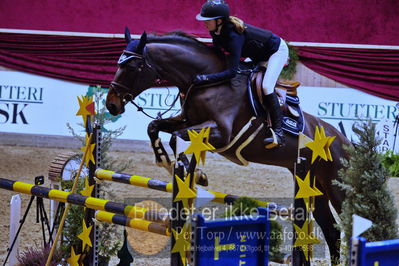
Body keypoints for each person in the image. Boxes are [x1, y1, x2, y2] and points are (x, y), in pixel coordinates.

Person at [194, 0, 289, 148]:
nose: (204, 23)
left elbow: (231, 73)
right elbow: (219, 55)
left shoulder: (233, 36)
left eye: (207, 20)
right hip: (257, 53)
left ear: (219, 20)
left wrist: (205, 78)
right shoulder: (216, 31)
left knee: (266, 87)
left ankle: (279, 132)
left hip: (275, 51)